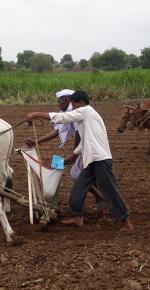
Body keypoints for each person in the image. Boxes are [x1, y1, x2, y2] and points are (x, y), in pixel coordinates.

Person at [25, 90, 133, 232]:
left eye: (74, 105)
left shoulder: (86, 111)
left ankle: (126, 222)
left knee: (110, 191)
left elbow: (62, 118)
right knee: (77, 189)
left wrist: (36, 114)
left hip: (100, 160)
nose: (73, 108)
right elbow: (83, 144)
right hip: (91, 161)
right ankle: (77, 218)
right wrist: (66, 160)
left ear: (80, 103)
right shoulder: (86, 119)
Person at [25, 89, 108, 213]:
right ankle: (85, 206)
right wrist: (37, 141)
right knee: (83, 175)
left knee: (77, 174)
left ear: (67, 100)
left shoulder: (76, 112)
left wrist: (74, 155)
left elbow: (77, 133)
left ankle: (98, 201)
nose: (58, 104)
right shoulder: (71, 111)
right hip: (87, 150)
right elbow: (58, 130)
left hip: (88, 150)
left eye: (60, 101)